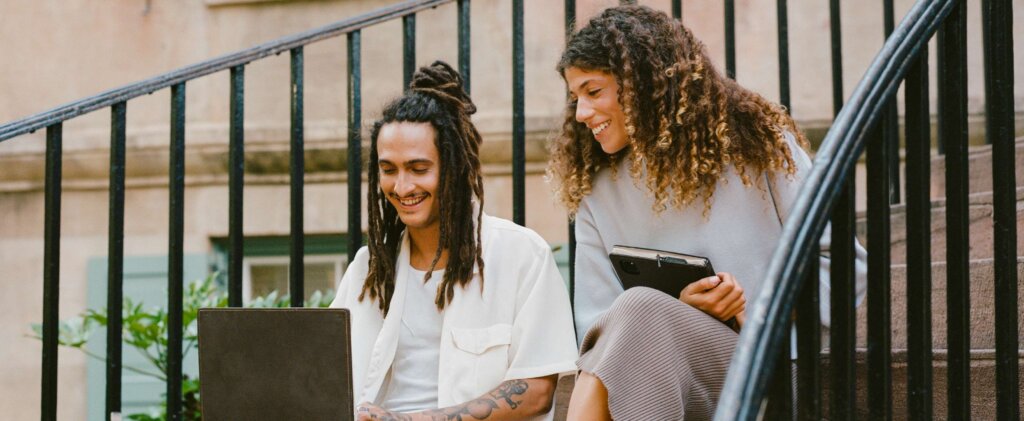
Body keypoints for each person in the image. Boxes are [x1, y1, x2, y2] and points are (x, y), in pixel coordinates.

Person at [547, 6, 867, 420]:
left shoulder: (760, 148)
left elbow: (844, 267)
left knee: (640, 308)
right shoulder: (597, 189)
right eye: (576, 98)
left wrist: (751, 313)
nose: (580, 114)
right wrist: (680, 311)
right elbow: (597, 327)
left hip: (766, 364)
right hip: (647, 376)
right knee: (638, 313)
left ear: (643, 84)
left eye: (593, 92)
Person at [329, 61, 577, 421]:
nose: (401, 187)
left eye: (418, 169)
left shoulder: (521, 255)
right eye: (388, 170)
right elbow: (322, 377)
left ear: (454, 167)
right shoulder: (367, 269)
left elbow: (536, 392)